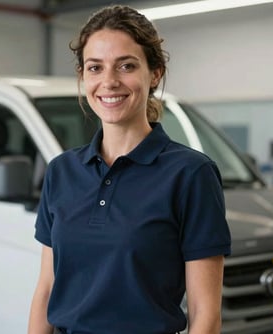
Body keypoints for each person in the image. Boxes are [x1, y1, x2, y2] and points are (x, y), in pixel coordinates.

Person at [28, 4, 231, 334]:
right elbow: (46, 292)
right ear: (83, 76)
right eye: (95, 68)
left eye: (126, 66)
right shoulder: (61, 172)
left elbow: (204, 314)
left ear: (154, 74)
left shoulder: (191, 175)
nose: (109, 81)